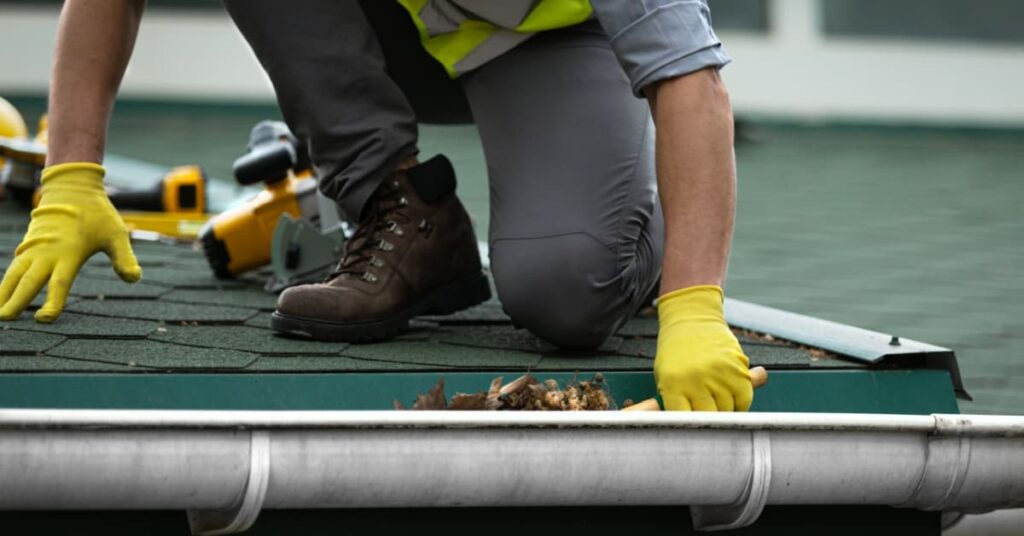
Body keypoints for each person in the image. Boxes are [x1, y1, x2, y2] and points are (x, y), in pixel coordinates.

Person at [0, 0, 752, 412]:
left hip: (547, 47)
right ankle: (401, 209)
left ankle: (635, 236)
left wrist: (692, 303)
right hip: (398, 27)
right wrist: (71, 177)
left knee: (565, 293)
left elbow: (693, 84)